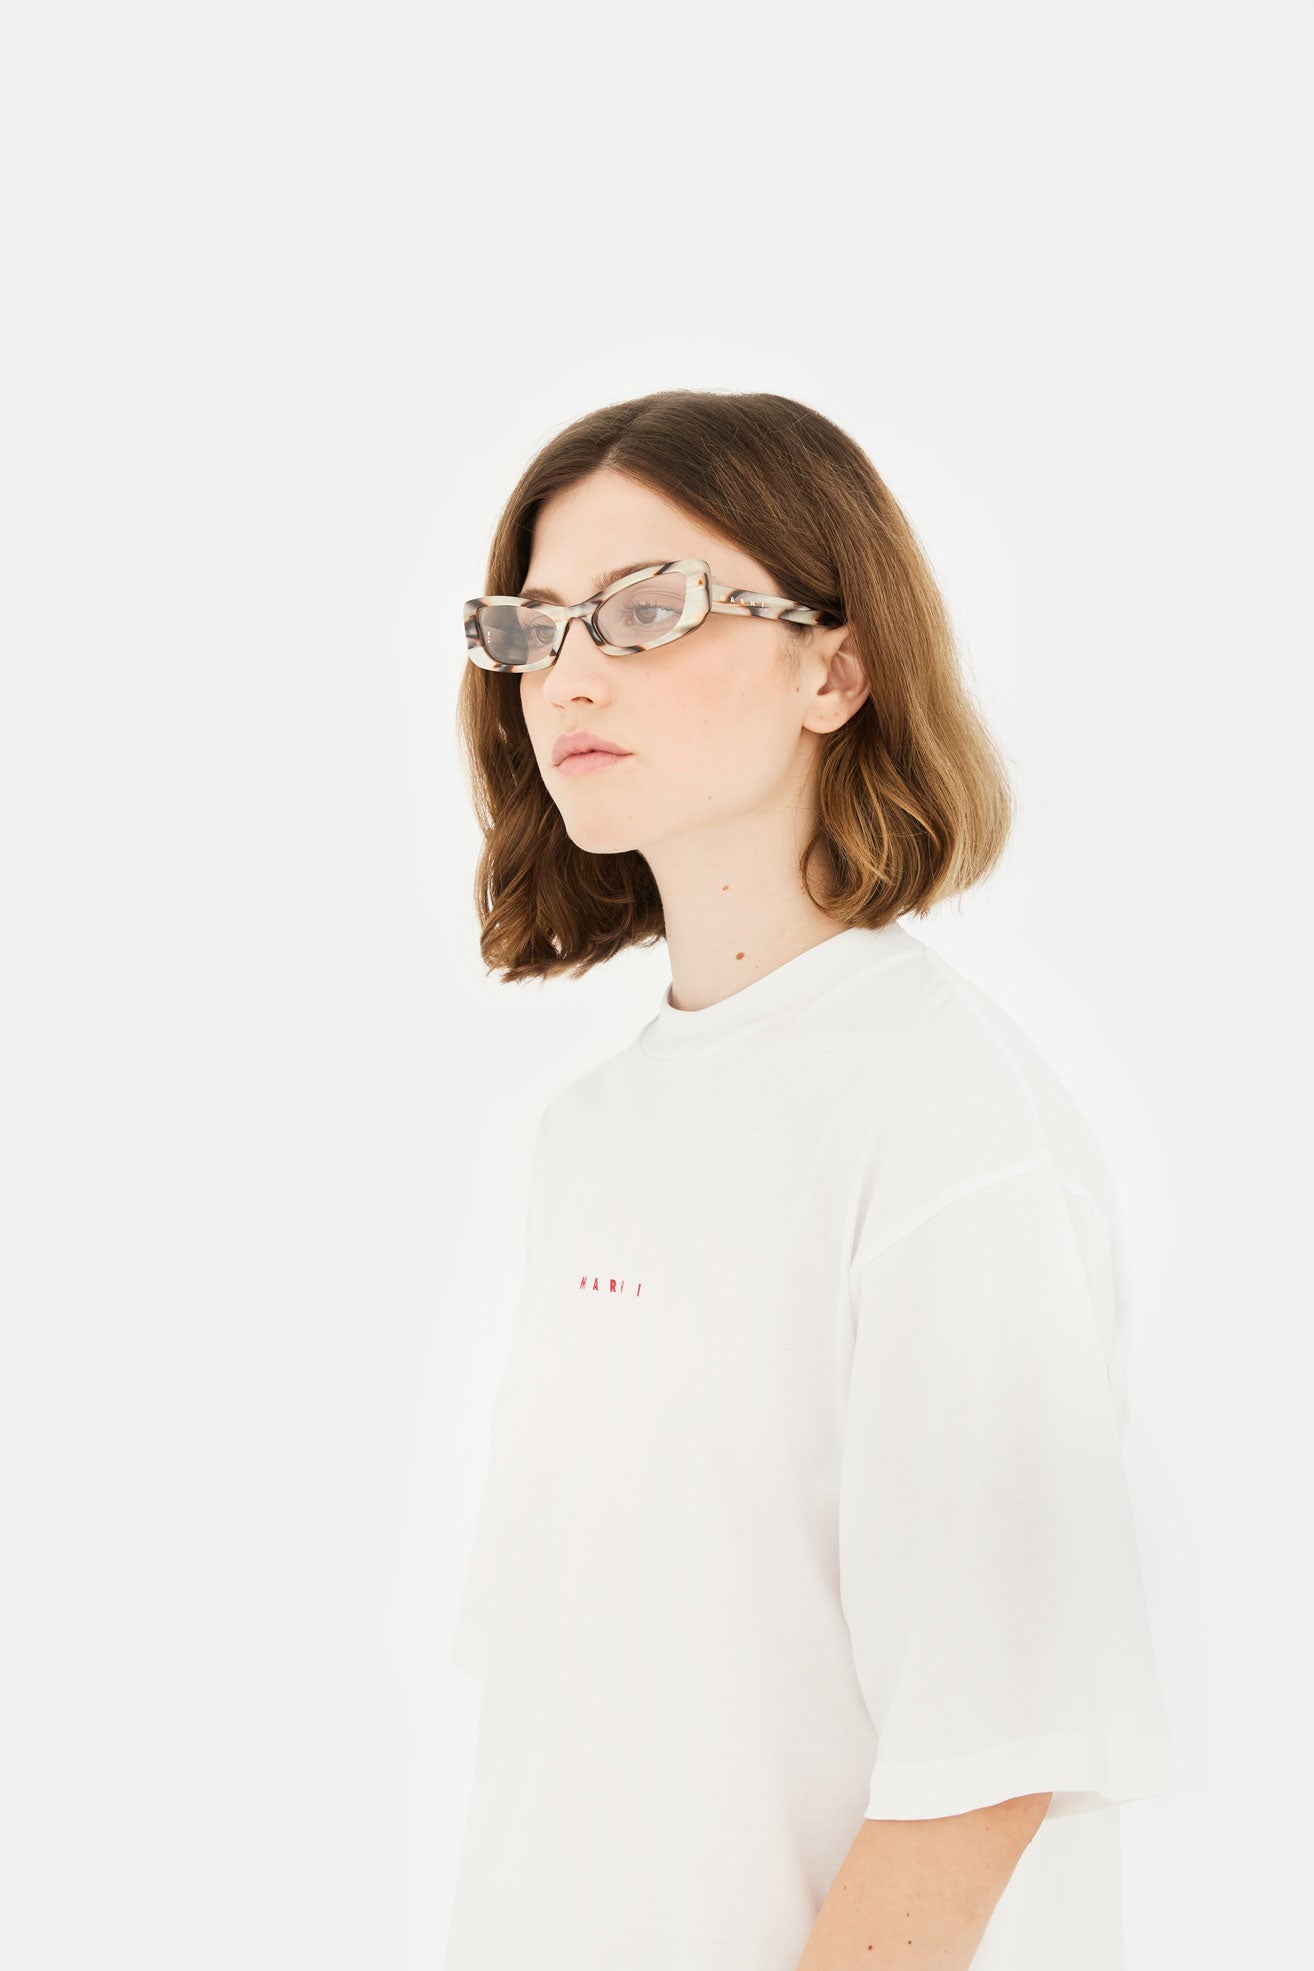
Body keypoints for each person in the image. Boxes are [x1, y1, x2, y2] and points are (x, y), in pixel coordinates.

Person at [442, 389, 1180, 1971]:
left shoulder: (942, 1118)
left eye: (646, 609)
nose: (569, 672)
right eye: (533, 628)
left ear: (834, 670)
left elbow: (984, 1763)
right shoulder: (592, 1133)